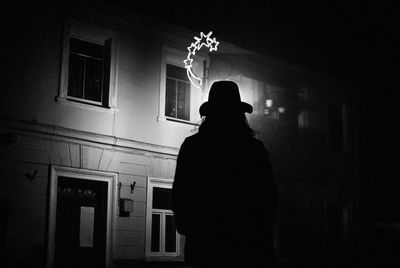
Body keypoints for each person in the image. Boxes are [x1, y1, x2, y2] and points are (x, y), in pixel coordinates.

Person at [172, 80, 278, 267]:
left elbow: (180, 195)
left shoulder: (193, 147)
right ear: (239, 115)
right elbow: (269, 198)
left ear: (209, 115)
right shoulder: (254, 150)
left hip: (204, 248)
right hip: (248, 248)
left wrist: (194, 227)